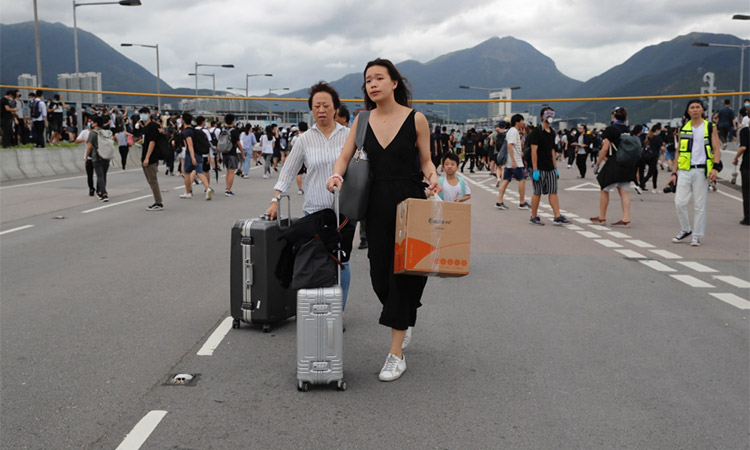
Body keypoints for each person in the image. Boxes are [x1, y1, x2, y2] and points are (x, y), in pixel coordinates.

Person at [328, 58, 440, 382]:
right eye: (368, 80)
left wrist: (433, 178)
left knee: (404, 276)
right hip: (375, 205)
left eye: (379, 77)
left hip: (411, 204)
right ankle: (402, 319)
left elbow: (427, 160)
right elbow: (345, 156)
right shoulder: (361, 121)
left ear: (394, 82)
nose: (373, 84)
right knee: (379, 273)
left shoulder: (416, 119)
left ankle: (395, 353)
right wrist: (336, 174)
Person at [265, 82, 352, 308]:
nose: (321, 110)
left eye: (326, 105)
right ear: (311, 109)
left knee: (342, 261)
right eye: (316, 106)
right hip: (314, 209)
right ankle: (316, 309)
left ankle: (337, 311)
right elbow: (288, 171)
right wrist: (275, 200)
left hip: (344, 211)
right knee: (315, 260)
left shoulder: (349, 136)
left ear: (335, 108)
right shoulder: (304, 139)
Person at [669, 99, 722, 246]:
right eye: (692, 107)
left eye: (698, 107)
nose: (695, 110)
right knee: (679, 202)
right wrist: (674, 173)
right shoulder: (683, 128)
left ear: (702, 110)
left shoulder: (710, 126)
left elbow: (716, 148)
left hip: (701, 170)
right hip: (685, 170)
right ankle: (686, 229)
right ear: (688, 111)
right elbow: (678, 151)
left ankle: (696, 235)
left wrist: (715, 168)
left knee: (699, 205)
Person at [591, 106, 634, 227]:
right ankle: (626, 219)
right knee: (624, 190)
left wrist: (597, 163)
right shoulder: (627, 129)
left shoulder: (611, 129)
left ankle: (602, 217)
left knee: (604, 188)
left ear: (614, 116)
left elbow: (605, 148)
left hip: (615, 162)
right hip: (627, 162)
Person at [528, 107, 571, 226]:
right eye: (547, 114)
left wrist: (555, 166)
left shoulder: (552, 132)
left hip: (550, 167)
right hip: (538, 167)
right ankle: (533, 216)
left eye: (552, 114)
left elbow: (552, 150)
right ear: (542, 116)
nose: (550, 116)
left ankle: (557, 216)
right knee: (537, 192)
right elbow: (533, 151)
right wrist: (535, 169)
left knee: (553, 191)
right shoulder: (536, 132)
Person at [496, 114, 530, 210]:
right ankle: (522, 202)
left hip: (511, 161)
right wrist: (514, 160)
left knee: (506, 180)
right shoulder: (513, 131)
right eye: (522, 121)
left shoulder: (514, 131)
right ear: (517, 122)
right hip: (514, 161)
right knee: (522, 179)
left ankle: (499, 201)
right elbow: (510, 145)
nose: (523, 123)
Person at [180, 113, 212, 199]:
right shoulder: (194, 130)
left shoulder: (187, 131)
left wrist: (192, 157)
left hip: (191, 154)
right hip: (199, 153)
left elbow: (190, 145)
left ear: (183, 120)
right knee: (200, 172)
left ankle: (188, 192)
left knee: (186, 173)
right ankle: (208, 188)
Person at [138, 106, 164, 211]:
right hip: (146, 156)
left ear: (149, 114)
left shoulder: (152, 126)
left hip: (151, 157)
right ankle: (157, 201)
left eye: (144, 113)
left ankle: (158, 202)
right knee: (150, 181)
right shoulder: (147, 127)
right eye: (141, 114)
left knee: (153, 181)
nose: (142, 115)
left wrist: (147, 158)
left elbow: (152, 142)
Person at [85, 115, 112, 202]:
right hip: (106, 156)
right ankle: (101, 191)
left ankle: (104, 194)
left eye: (92, 121)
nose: (91, 123)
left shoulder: (93, 133)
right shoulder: (106, 132)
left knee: (99, 176)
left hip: (97, 157)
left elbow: (89, 147)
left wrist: (86, 157)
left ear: (95, 123)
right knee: (104, 175)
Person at [218, 114, 244, 196]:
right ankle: (228, 190)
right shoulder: (234, 131)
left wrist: (219, 155)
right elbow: (239, 144)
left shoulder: (223, 130)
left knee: (228, 171)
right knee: (231, 171)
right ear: (233, 121)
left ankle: (227, 187)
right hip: (232, 153)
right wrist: (242, 153)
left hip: (224, 152)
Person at [641, 123, 664, 193]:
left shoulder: (649, 137)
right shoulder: (658, 138)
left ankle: (655, 187)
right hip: (654, 157)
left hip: (647, 156)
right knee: (650, 173)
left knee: (655, 172)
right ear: (657, 130)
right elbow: (662, 148)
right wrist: (662, 150)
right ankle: (641, 184)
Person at [735, 122, 749, 225]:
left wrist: (736, 158)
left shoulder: (745, 131)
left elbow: (743, 147)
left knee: (747, 192)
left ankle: (748, 218)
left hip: (748, 165)